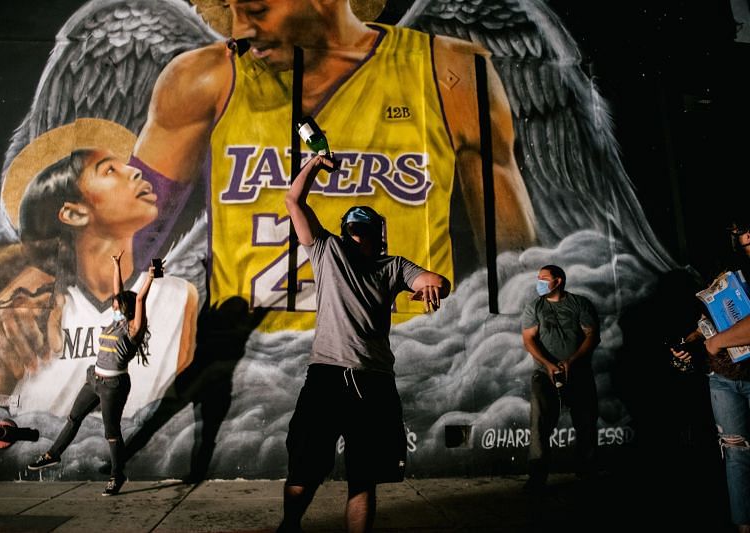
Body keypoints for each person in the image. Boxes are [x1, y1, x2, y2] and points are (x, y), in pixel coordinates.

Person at [131, 0, 536, 326]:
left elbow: (514, 267)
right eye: (232, 10)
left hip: (408, 356)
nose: (240, 30)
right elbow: (131, 232)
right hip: (256, 369)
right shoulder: (201, 79)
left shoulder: (450, 72)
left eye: (256, 11)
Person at [0, 129, 198, 446]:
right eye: (109, 169)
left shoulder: (177, 297)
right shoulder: (30, 310)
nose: (136, 169)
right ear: (74, 212)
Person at [278, 153, 450, 531]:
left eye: (363, 231)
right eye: (351, 230)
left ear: (376, 236)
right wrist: (313, 165)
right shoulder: (327, 251)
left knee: (364, 477)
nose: (355, 237)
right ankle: (290, 526)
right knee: (304, 471)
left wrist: (434, 289)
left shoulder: (392, 267)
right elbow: (294, 201)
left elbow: (436, 281)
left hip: (373, 381)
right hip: (327, 376)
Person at [27, 252, 155, 496]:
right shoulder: (116, 321)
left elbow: (139, 301)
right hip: (94, 380)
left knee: (111, 432)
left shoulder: (133, 330)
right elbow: (119, 294)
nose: (113, 307)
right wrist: (116, 265)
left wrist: (149, 278)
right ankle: (52, 455)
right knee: (74, 418)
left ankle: (117, 476)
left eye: (118, 306)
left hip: (113, 385)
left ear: (126, 310)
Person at [673, 221, 750, 532]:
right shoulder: (727, 272)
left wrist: (715, 343)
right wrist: (690, 343)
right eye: (745, 231)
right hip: (724, 378)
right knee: (736, 453)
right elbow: (710, 321)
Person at [521, 264, 600, 492]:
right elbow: (528, 339)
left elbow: (592, 335)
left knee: (586, 423)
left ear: (558, 281)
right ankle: (537, 476)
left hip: (580, 374)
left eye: (544, 278)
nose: (539, 282)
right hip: (544, 376)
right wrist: (547, 365)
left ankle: (587, 472)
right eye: (538, 278)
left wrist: (572, 361)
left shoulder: (580, 304)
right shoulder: (534, 306)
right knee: (539, 425)